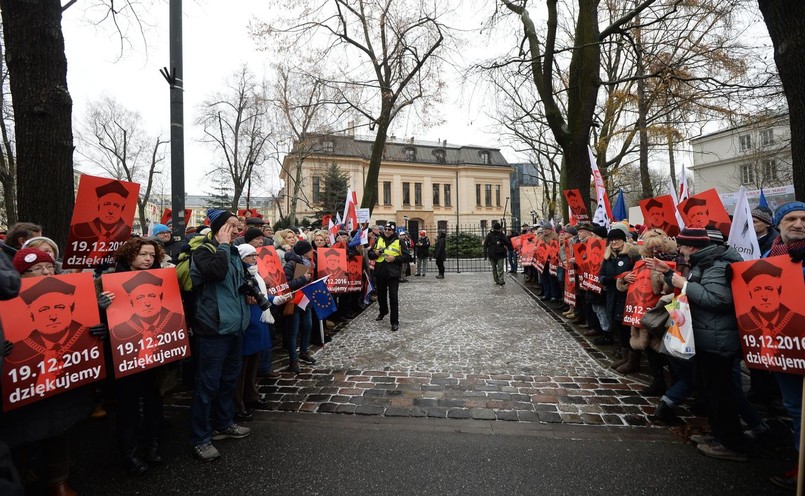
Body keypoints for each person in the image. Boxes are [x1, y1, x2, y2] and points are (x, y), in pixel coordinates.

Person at [2, 253, 105, 495]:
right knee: (20, 436)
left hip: (62, 387)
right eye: (38, 268)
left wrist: (98, 331)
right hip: (21, 390)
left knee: (58, 431)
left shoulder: (76, 314)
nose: (47, 273)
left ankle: (59, 480)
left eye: (50, 267)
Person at [653, 227, 747, 462]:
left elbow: (718, 299)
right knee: (710, 390)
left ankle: (732, 444)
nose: (681, 251)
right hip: (705, 337)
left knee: (721, 393)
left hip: (717, 340)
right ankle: (718, 435)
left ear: (692, 247)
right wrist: (668, 274)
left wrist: (684, 283)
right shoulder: (703, 262)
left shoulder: (717, 265)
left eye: (682, 247)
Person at [109, 238, 179, 475]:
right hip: (126, 357)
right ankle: (129, 454)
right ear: (130, 255)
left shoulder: (162, 280)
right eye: (143, 254)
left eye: (151, 255)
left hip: (155, 355)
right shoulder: (108, 281)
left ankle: (153, 445)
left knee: (153, 401)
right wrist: (100, 311)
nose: (148, 259)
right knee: (127, 407)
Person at [189, 209, 251, 462]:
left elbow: (237, 280)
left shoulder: (234, 252)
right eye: (231, 226)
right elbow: (215, 273)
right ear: (218, 228)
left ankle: (224, 424)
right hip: (213, 329)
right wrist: (224, 246)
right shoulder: (204, 251)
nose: (236, 231)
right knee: (207, 385)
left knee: (228, 380)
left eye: (238, 226)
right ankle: (200, 438)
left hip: (235, 327)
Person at [764, 201, 805, 489]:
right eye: (791, 218)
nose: (799, 224)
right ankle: (800, 463)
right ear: (779, 224)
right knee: (794, 407)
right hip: (785, 344)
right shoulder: (769, 256)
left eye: (804, 219)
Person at [234, 244, 289, 421]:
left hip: (259, 321)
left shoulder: (255, 273)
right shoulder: (239, 274)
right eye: (249, 255)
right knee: (241, 369)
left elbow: (260, 295)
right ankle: (238, 404)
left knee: (253, 366)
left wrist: (274, 299)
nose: (253, 258)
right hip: (248, 323)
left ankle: (251, 395)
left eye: (254, 255)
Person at [368, 222, 410, 332]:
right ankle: (383, 311)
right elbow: (370, 255)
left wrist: (395, 259)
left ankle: (394, 322)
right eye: (386, 229)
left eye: (389, 229)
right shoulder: (378, 240)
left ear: (393, 231)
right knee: (381, 296)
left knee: (393, 297)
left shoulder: (399, 241)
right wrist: (375, 253)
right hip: (380, 272)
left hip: (393, 273)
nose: (387, 231)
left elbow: (407, 257)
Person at [70, 180, 132, 251]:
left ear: (122, 209)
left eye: (116, 205)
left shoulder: (127, 234)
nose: (111, 211)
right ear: (98, 205)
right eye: (106, 204)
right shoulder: (78, 230)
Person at [283, 240, 315, 373]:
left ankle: (304, 352)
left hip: (305, 300)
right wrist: (304, 279)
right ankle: (293, 360)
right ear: (304, 252)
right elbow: (287, 284)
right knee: (293, 332)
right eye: (310, 250)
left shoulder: (309, 263)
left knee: (308, 326)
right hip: (294, 301)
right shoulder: (290, 264)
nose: (312, 251)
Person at [483, 222, 512, 286]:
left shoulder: (502, 235)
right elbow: (485, 244)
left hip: (500, 254)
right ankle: (496, 280)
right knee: (494, 268)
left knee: (500, 267)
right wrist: (485, 254)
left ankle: (501, 280)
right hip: (492, 254)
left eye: (498, 229)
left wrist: (502, 240)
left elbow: (507, 243)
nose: (497, 230)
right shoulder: (490, 235)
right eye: (496, 229)